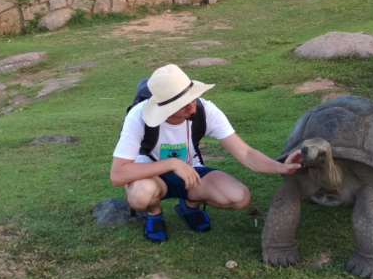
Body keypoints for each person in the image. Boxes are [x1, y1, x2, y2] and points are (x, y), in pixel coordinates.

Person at [111, 64, 302, 242]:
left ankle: (189, 206)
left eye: (191, 96)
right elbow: (118, 174)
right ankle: (154, 212)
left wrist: (281, 167)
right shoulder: (138, 117)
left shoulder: (205, 110)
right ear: (164, 107)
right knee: (140, 195)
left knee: (239, 197)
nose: (191, 104)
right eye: (181, 103)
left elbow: (245, 153)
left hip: (191, 173)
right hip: (150, 176)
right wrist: (173, 164)